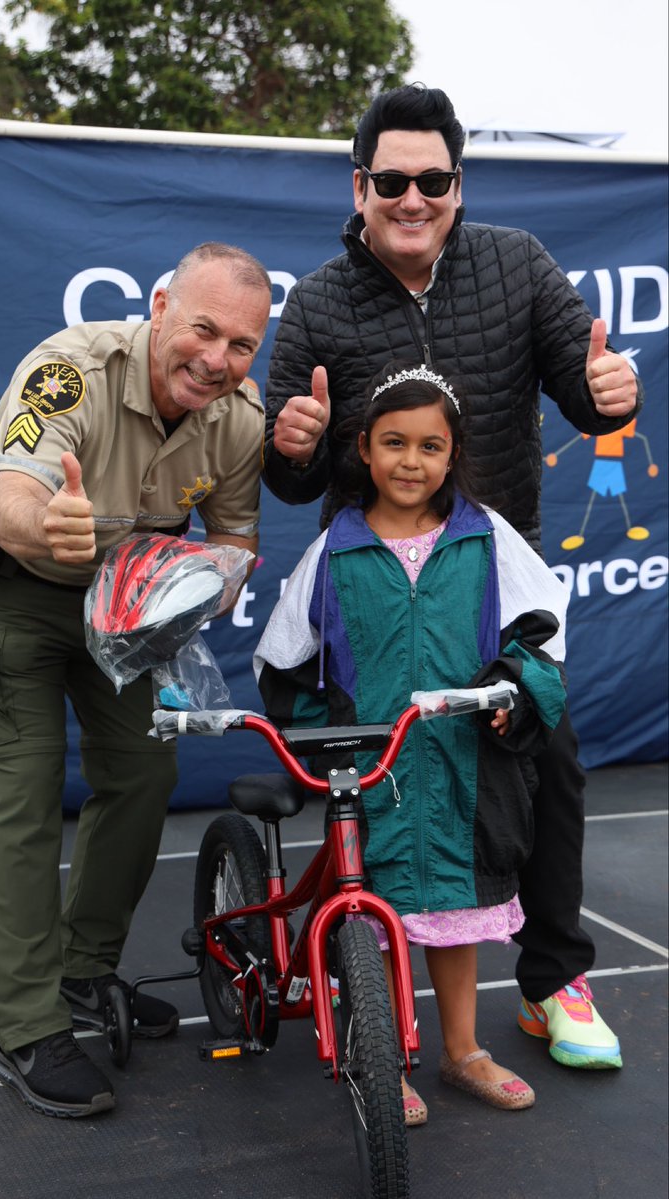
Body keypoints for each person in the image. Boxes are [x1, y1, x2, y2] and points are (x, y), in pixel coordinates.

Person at [263, 83, 640, 1071]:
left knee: (545, 763)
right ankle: (368, 991)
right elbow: (286, 470)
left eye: (431, 179)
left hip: (490, 577)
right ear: (360, 186)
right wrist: (292, 442)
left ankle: (552, 978)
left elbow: (584, 385)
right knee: (381, 786)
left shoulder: (517, 263)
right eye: (391, 180)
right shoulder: (312, 300)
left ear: (456, 187)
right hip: (374, 594)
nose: (412, 197)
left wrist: (610, 391)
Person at [0, 242, 272, 1118]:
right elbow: (11, 496)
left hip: (125, 606)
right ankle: (26, 1029)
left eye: (242, 345)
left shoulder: (241, 416)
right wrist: (46, 520)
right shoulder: (72, 369)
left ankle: (83, 973)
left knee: (146, 771)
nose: (217, 359)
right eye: (203, 329)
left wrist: (209, 575)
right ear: (160, 305)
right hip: (13, 590)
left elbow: (234, 539)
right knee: (24, 787)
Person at [255, 363, 569, 1124]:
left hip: (464, 763)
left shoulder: (485, 536)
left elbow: (541, 637)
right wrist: (324, 739)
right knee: (369, 914)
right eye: (393, 442)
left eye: (431, 446)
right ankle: (380, 1056)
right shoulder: (337, 548)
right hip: (375, 770)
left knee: (453, 912)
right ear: (362, 447)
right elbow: (282, 658)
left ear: (452, 452)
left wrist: (513, 693)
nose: (411, 461)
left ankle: (462, 1051)